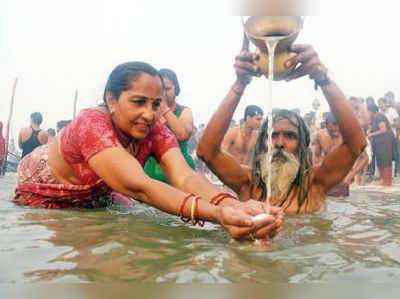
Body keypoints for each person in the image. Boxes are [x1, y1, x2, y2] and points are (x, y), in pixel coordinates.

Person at [14, 61, 283, 241]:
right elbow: (139, 186)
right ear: (111, 99)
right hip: (45, 192)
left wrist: (236, 206)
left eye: (156, 104)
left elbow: (186, 177)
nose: (148, 113)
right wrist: (218, 216)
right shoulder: (91, 123)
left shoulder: (153, 127)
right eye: (138, 102)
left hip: (97, 196)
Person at [197, 36, 366, 215]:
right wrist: (239, 84)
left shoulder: (316, 183)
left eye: (290, 136)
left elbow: (356, 144)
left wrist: (322, 78)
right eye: (272, 135)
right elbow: (207, 152)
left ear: (302, 145)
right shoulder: (248, 183)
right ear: (262, 143)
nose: (279, 143)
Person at [144, 68, 196, 183]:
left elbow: (183, 134)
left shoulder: (184, 111)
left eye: (167, 89)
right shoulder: (147, 112)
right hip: (152, 172)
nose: (163, 94)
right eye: (160, 90)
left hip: (182, 171)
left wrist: (163, 108)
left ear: (176, 89)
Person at [367, 104, 395, 186]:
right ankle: (383, 180)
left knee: (385, 160)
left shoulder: (379, 116)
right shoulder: (374, 118)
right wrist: (370, 130)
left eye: (367, 111)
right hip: (379, 143)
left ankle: (387, 182)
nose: (367, 113)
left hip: (385, 141)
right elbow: (374, 128)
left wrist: (371, 134)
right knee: (380, 161)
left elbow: (383, 129)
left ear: (371, 111)